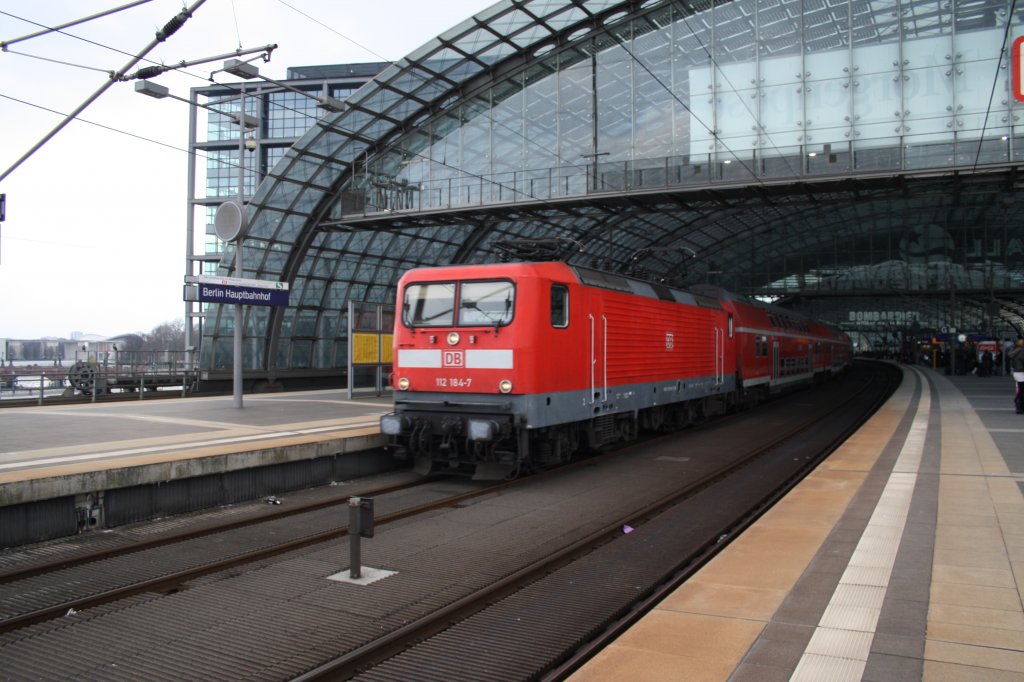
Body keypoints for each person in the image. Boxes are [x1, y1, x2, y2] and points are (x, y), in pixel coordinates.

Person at [1010, 338, 1024, 415]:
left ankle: (1019, 407)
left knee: (1020, 389)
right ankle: (1018, 404)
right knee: (1021, 390)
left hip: (1017, 372)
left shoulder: (1015, 350)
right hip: (1021, 372)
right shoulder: (1022, 351)